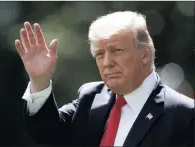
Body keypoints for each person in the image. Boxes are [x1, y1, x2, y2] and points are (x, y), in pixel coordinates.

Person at [15, 11, 194, 147]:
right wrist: (39, 79)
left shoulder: (184, 114)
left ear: (145, 55)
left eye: (117, 50)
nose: (107, 63)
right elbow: (45, 132)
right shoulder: (91, 98)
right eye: (100, 54)